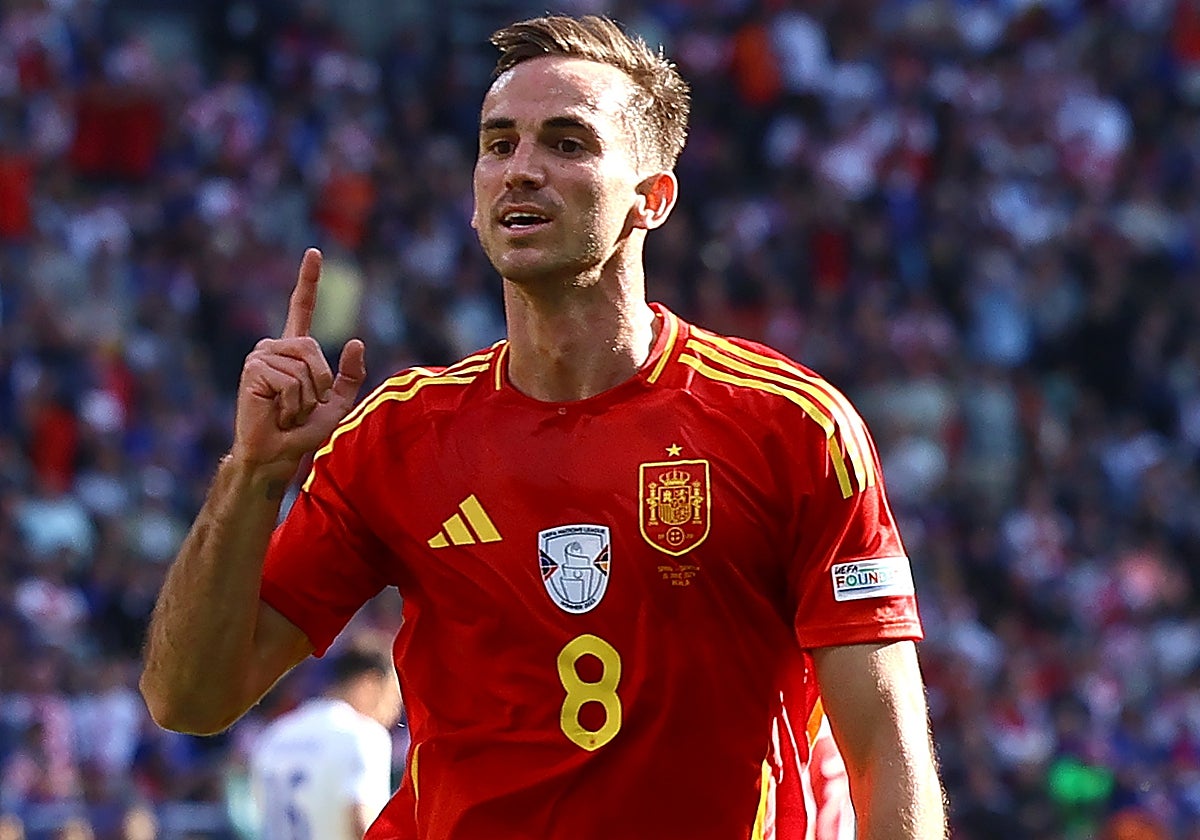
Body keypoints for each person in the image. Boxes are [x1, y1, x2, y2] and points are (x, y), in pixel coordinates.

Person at [139, 13, 947, 839]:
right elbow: (190, 700)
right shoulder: (396, 437)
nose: (521, 170)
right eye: (499, 144)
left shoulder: (788, 427)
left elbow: (887, 754)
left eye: (567, 143)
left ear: (652, 198)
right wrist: (251, 476)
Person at [249, 647, 400, 839]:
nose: (394, 713)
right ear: (368, 685)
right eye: (393, 697)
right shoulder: (362, 734)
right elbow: (364, 822)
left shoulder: (275, 735)